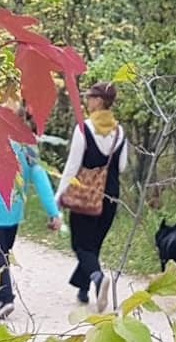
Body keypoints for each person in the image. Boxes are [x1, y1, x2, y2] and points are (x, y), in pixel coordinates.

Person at [0, 110, 61, 320]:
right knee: (5, 251)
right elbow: (41, 180)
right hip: (14, 212)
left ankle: (6, 298)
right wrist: (53, 213)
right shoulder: (28, 151)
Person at [55, 81, 129, 312]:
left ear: (99, 101)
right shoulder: (120, 131)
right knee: (93, 243)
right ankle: (83, 289)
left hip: (86, 195)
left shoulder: (83, 128)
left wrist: (59, 195)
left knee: (81, 245)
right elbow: (123, 166)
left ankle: (97, 278)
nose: (87, 101)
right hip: (111, 195)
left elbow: (72, 166)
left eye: (90, 97)